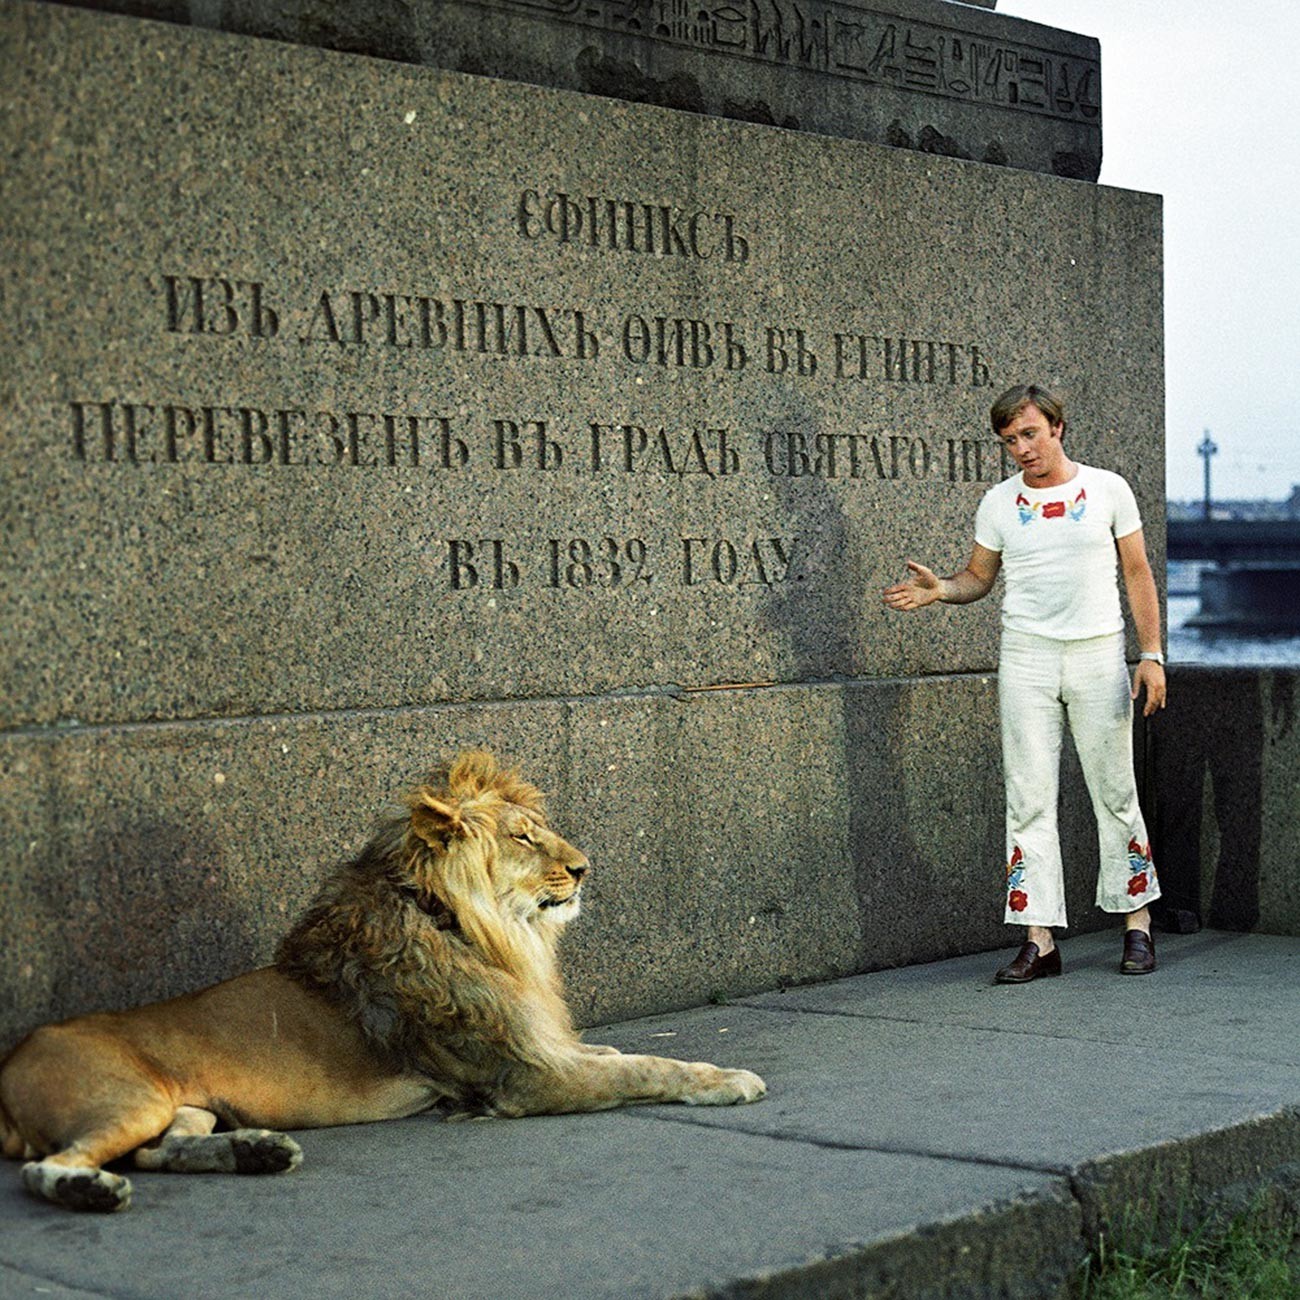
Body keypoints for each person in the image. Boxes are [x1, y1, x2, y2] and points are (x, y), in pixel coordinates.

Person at [883, 384, 1167, 982]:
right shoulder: (999, 503)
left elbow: (1138, 573)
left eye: (1030, 434)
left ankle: (1136, 925)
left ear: (1058, 427)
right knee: (1029, 797)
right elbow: (977, 578)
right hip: (1028, 658)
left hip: (1097, 654)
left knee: (1115, 791)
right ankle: (1039, 938)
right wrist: (942, 590)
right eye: (1010, 440)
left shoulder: (1108, 489)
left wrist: (1152, 655)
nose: (1022, 448)